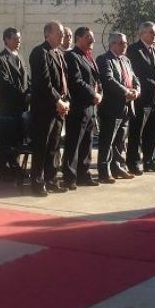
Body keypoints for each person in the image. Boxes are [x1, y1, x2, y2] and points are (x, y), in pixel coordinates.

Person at [29, 21, 69, 196]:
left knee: (54, 145)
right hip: (44, 109)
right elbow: (43, 82)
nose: (62, 36)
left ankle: (51, 179)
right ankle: (37, 182)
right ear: (47, 34)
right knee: (42, 146)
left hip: (59, 108)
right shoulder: (40, 52)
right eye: (59, 33)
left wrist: (66, 101)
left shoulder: (58, 53)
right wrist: (57, 100)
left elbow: (64, 82)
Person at [126, 21, 155, 175]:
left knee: (152, 131)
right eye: (151, 32)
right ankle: (133, 162)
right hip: (142, 98)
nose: (154, 34)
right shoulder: (133, 50)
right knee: (137, 132)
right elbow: (137, 74)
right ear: (142, 33)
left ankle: (149, 161)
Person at [96, 32, 139, 183]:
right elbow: (108, 80)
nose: (124, 46)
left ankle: (118, 166)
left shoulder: (126, 60)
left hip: (127, 106)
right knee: (108, 140)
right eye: (121, 43)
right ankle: (104, 171)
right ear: (112, 44)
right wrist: (126, 91)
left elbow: (134, 78)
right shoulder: (104, 59)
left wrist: (136, 91)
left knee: (121, 139)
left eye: (125, 43)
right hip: (111, 107)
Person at [62, 26, 101, 189]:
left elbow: (96, 80)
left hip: (91, 107)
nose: (91, 40)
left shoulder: (89, 57)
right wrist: (93, 94)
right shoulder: (72, 56)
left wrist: (100, 93)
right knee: (74, 143)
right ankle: (69, 177)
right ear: (78, 38)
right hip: (78, 107)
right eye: (87, 37)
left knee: (87, 142)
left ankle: (83, 174)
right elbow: (76, 81)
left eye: (92, 37)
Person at [0, 27, 30, 180]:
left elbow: (26, 81)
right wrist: (23, 95)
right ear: (7, 39)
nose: (18, 41)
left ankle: (15, 166)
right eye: (15, 38)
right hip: (8, 107)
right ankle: (3, 170)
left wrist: (31, 92)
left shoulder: (20, 57)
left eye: (19, 38)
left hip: (21, 107)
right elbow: (6, 84)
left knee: (17, 140)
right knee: (6, 141)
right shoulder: (0, 59)